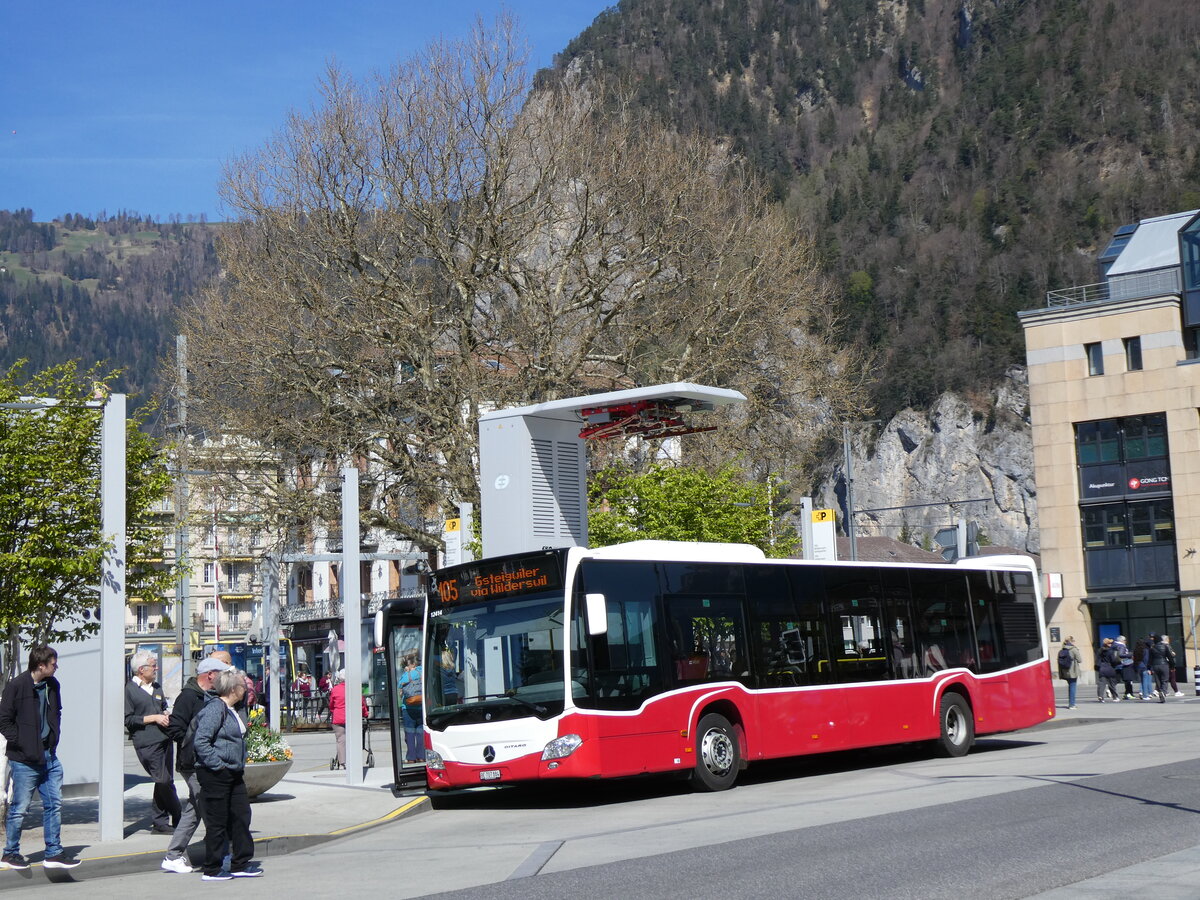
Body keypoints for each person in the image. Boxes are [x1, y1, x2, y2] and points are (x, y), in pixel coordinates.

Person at [0, 645, 80, 870]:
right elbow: (3, 720)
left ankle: (53, 852)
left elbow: (57, 712)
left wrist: (53, 738)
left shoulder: (53, 685)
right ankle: (10, 853)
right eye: (53, 664)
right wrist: (22, 743)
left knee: (54, 803)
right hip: (24, 758)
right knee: (20, 808)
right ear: (41, 665)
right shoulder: (16, 686)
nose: (57, 667)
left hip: (49, 756)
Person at [161, 655, 233, 874]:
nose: (224, 678)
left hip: (200, 762)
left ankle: (173, 856)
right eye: (221, 673)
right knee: (212, 808)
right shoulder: (188, 697)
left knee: (194, 810)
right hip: (192, 764)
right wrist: (196, 745)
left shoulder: (210, 696)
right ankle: (224, 855)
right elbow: (175, 729)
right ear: (210, 675)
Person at [192, 668, 263, 880]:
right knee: (217, 822)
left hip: (234, 772)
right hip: (216, 774)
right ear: (233, 689)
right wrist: (219, 765)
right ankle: (212, 868)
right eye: (244, 685)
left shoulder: (234, 709)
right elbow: (201, 741)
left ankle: (240, 863)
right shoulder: (215, 708)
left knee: (241, 817)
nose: (247, 688)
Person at [124, 649, 182, 834]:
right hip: (147, 742)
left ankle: (160, 823)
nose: (156, 668)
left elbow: (162, 706)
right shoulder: (130, 690)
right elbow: (129, 720)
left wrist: (165, 713)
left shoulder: (156, 687)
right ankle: (179, 814)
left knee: (164, 780)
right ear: (141, 669)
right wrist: (154, 718)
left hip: (164, 739)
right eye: (153, 665)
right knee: (163, 780)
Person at [327, 670, 369, 768]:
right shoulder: (355, 688)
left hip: (338, 718)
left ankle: (343, 762)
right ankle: (354, 760)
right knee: (355, 738)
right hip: (353, 717)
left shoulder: (335, 689)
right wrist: (365, 714)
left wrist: (334, 711)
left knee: (341, 740)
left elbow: (331, 704)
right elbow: (361, 704)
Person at [397, 652, 425, 764]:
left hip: (408, 707)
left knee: (409, 733)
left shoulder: (406, 675)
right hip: (421, 706)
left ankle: (411, 757)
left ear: (411, 664)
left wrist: (407, 672)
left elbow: (399, 687)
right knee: (420, 732)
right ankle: (422, 756)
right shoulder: (422, 670)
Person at [1057, 637, 1082, 709]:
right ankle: (1072, 704)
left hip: (1065, 671)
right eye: (1074, 641)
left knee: (1070, 687)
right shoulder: (1073, 649)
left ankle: (1071, 703)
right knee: (1072, 687)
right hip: (1073, 671)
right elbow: (1080, 660)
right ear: (1071, 641)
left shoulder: (1062, 650)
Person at [1147, 632, 1172, 703]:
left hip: (1155, 666)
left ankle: (1160, 691)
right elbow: (1169, 657)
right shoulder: (1165, 646)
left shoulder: (1152, 648)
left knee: (1158, 681)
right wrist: (1172, 666)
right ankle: (1163, 692)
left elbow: (1150, 659)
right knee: (1165, 680)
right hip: (1164, 665)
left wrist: (1149, 668)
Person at [1095, 638, 1121, 703]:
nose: (1111, 644)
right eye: (1110, 643)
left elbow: (1097, 660)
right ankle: (1115, 697)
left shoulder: (1099, 651)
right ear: (1108, 644)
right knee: (1111, 683)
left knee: (1102, 683)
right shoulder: (1110, 651)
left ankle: (1100, 696)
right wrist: (1118, 662)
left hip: (1102, 668)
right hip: (1109, 667)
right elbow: (1113, 660)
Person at [1112, 635, 1135, 700]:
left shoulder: (1114, 645)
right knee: (1127, 680)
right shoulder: (1121, 646)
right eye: (1125, 640)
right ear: (1122, 640)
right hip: (1124, 664)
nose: (1126, 642)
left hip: (1117, 664)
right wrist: (1130, 654)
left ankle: (1111, 689)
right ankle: (1128, 693)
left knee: (1117, 679)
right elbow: (1121, 655)